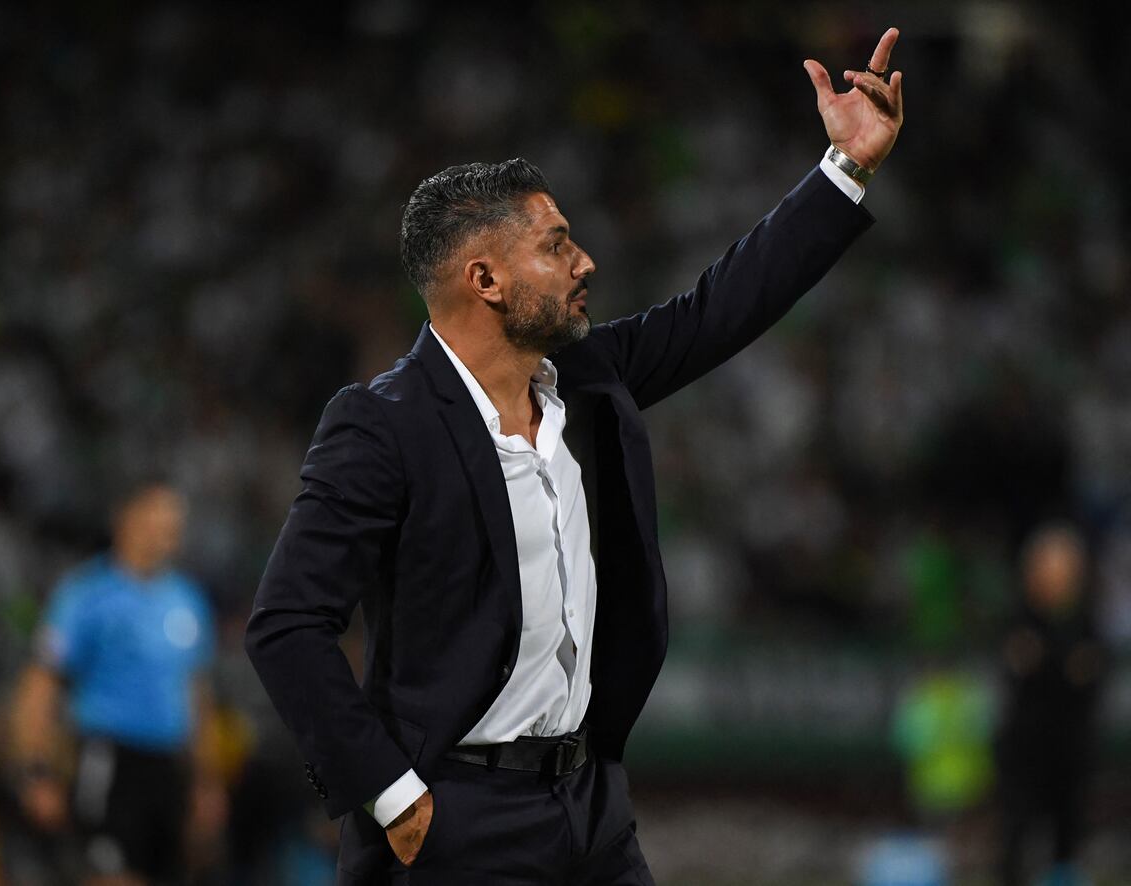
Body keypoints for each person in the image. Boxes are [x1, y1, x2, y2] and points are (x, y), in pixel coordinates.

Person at [247, 29, 905, 885]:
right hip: (457, 821)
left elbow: (719, 308)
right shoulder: (383, 426)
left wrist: (846, 167)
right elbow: (287, 624)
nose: (583, 261)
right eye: (555, 245)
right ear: (485, 280)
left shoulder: (586, 380)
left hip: (589, 809)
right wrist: (391, 794)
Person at [10, 480, 223, 886]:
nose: (166, 531)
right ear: (125, 520)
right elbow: (40, 686)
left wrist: (207, 783)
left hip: (169, 768)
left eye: (173, 522)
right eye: (156, 519)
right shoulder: (86, 596)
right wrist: (35, 771)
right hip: (110, 761)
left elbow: (198, 696)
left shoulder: (187, 600)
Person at [996, 523, 1106, 886]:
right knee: (1017, 828)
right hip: (1026, 745)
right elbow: (1022, 665)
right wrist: (1064, 667)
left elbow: (1090, 671)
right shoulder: (1019, 617)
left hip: (1070, 744)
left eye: (1066, 570)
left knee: (1068, 827)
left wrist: (1050, 663)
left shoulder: (1085, 620)